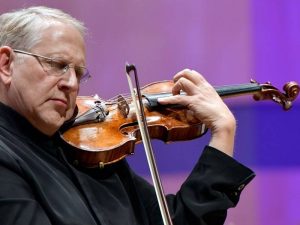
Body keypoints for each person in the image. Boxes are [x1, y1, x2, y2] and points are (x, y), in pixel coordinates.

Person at [0, 6, 255, 225]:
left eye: (78, 73)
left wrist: (223, 132)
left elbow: (175, 220)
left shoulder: (89, 151)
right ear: (6, 64)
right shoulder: (5, 158)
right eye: (57, 65)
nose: (71, 83)